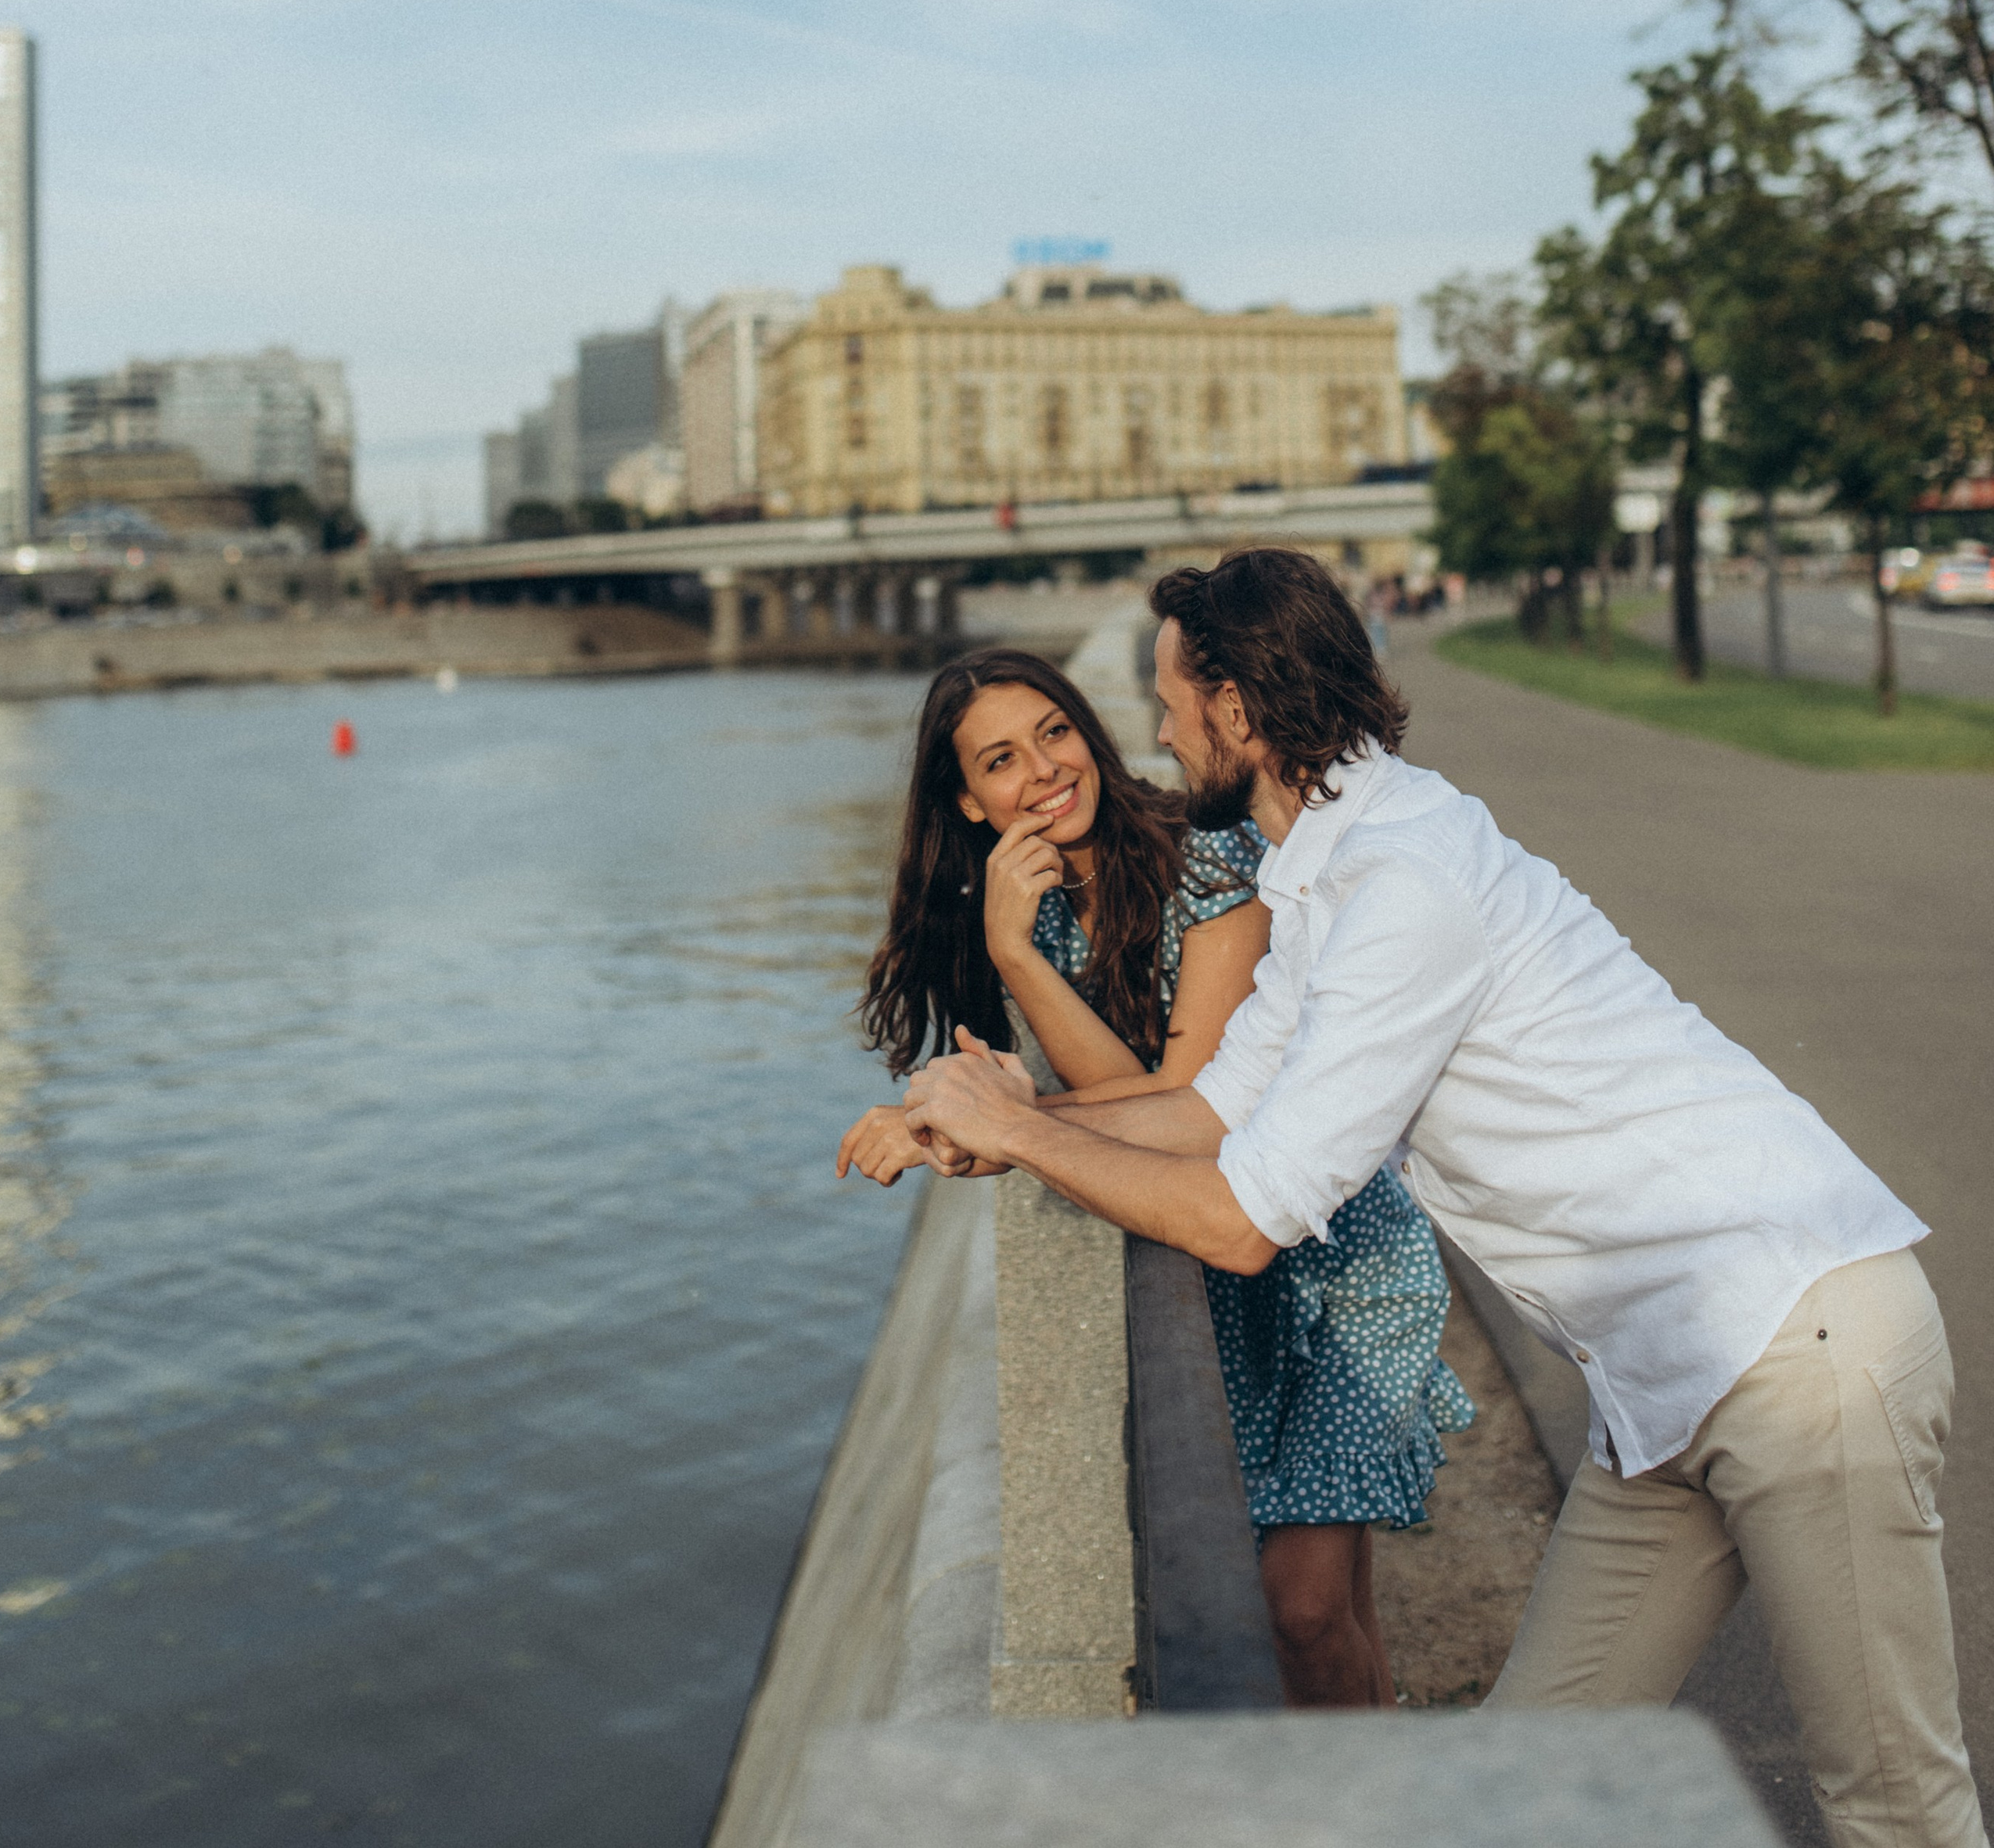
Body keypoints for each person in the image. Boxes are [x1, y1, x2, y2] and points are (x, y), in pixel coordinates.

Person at [906, 551, 1986, 1848]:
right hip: (1667, 1386)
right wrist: (1002, 1124)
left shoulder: (1401, 886)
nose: (1157, 727)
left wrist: (1025, 1138)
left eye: (1171, 699)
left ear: (1238, 712)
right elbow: (1205, 1110)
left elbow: (1244, 1215)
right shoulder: (1325, 876)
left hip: (1799, 1347)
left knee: (1893, 1807)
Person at [837, 644, 1473, 1707]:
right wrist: (1001, 987)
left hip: (1335, 1261)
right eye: (1001, 761)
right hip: (1225, 1275)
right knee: (1330, 1615)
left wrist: (1009, 1030)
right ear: (971, 800)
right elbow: (1083, 1107)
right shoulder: (1020, 901)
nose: (1043, 770)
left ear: (1090, 728)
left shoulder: (1209, 862)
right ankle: (1377, 1786)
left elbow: (1179, 1104)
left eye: (1054, 732)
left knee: (1303, 1606)